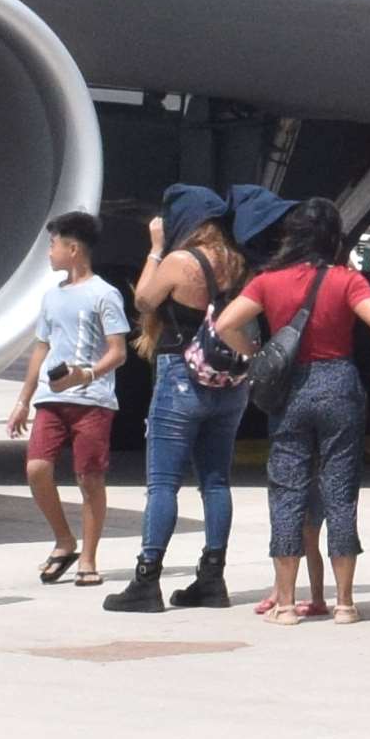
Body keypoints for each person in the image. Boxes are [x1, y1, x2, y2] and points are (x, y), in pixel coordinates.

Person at [225, 200, 370, 626]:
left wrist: (258, 354)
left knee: (286, 491)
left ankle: (285, 604)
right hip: (339, 382)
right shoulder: (346, 279)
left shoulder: (269, 280)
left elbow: (225, 323)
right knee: (340, 491)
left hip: (290, 390)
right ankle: (344, 603)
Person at [109, 193, 245, 615]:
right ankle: (212, 577)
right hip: (228, 380)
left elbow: (145, 300)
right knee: (216, 481)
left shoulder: (180, 261)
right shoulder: (237, 261)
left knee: (164, 483)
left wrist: (154, 249)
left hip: (180, 377)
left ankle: (147, 579)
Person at [12, 214, 126, 585]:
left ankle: (88, 558)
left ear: (73, 249)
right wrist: (23, 398)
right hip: (51, 397)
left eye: (54, 244)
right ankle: (64, 538)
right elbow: (41, 348)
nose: (49, 252)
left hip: (92, 399)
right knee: (37, 468)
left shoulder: (105, 294)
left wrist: (88, 374)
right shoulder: (51, 296)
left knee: (89, 477)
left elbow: (118, 351)